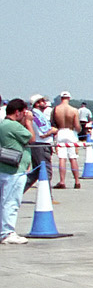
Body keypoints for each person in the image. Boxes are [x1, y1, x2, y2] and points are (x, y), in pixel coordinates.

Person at [1, 98, 33, 244]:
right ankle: (7, 232)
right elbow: (31, 138)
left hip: (5, 168)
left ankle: (4, 231)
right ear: (18, 112)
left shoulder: (3, 125)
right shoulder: (13, 126)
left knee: (5, 200)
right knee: (11, 202)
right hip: (14, 170)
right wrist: (29, 122)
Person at [51, 91, 81, 189]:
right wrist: (80, 130)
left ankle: (62, 181)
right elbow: (77, 126)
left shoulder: (56, 109)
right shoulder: (74, 110)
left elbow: (52, 123)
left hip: (60, 132)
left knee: (62, 158)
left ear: (61, 98)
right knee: (73, 158)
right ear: (69, 98)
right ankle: (77, 181)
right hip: (70, 132)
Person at [25, 95, 53, 191]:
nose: (44, 102)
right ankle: (47, 197)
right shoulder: (36, 115)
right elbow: (43, 133)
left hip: (41, 145)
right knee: (46, 171)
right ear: (36, 103)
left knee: (36, 173)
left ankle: (17, 191)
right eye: (42, 101)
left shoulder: (39, 114)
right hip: (41, 145)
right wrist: (53, 130)